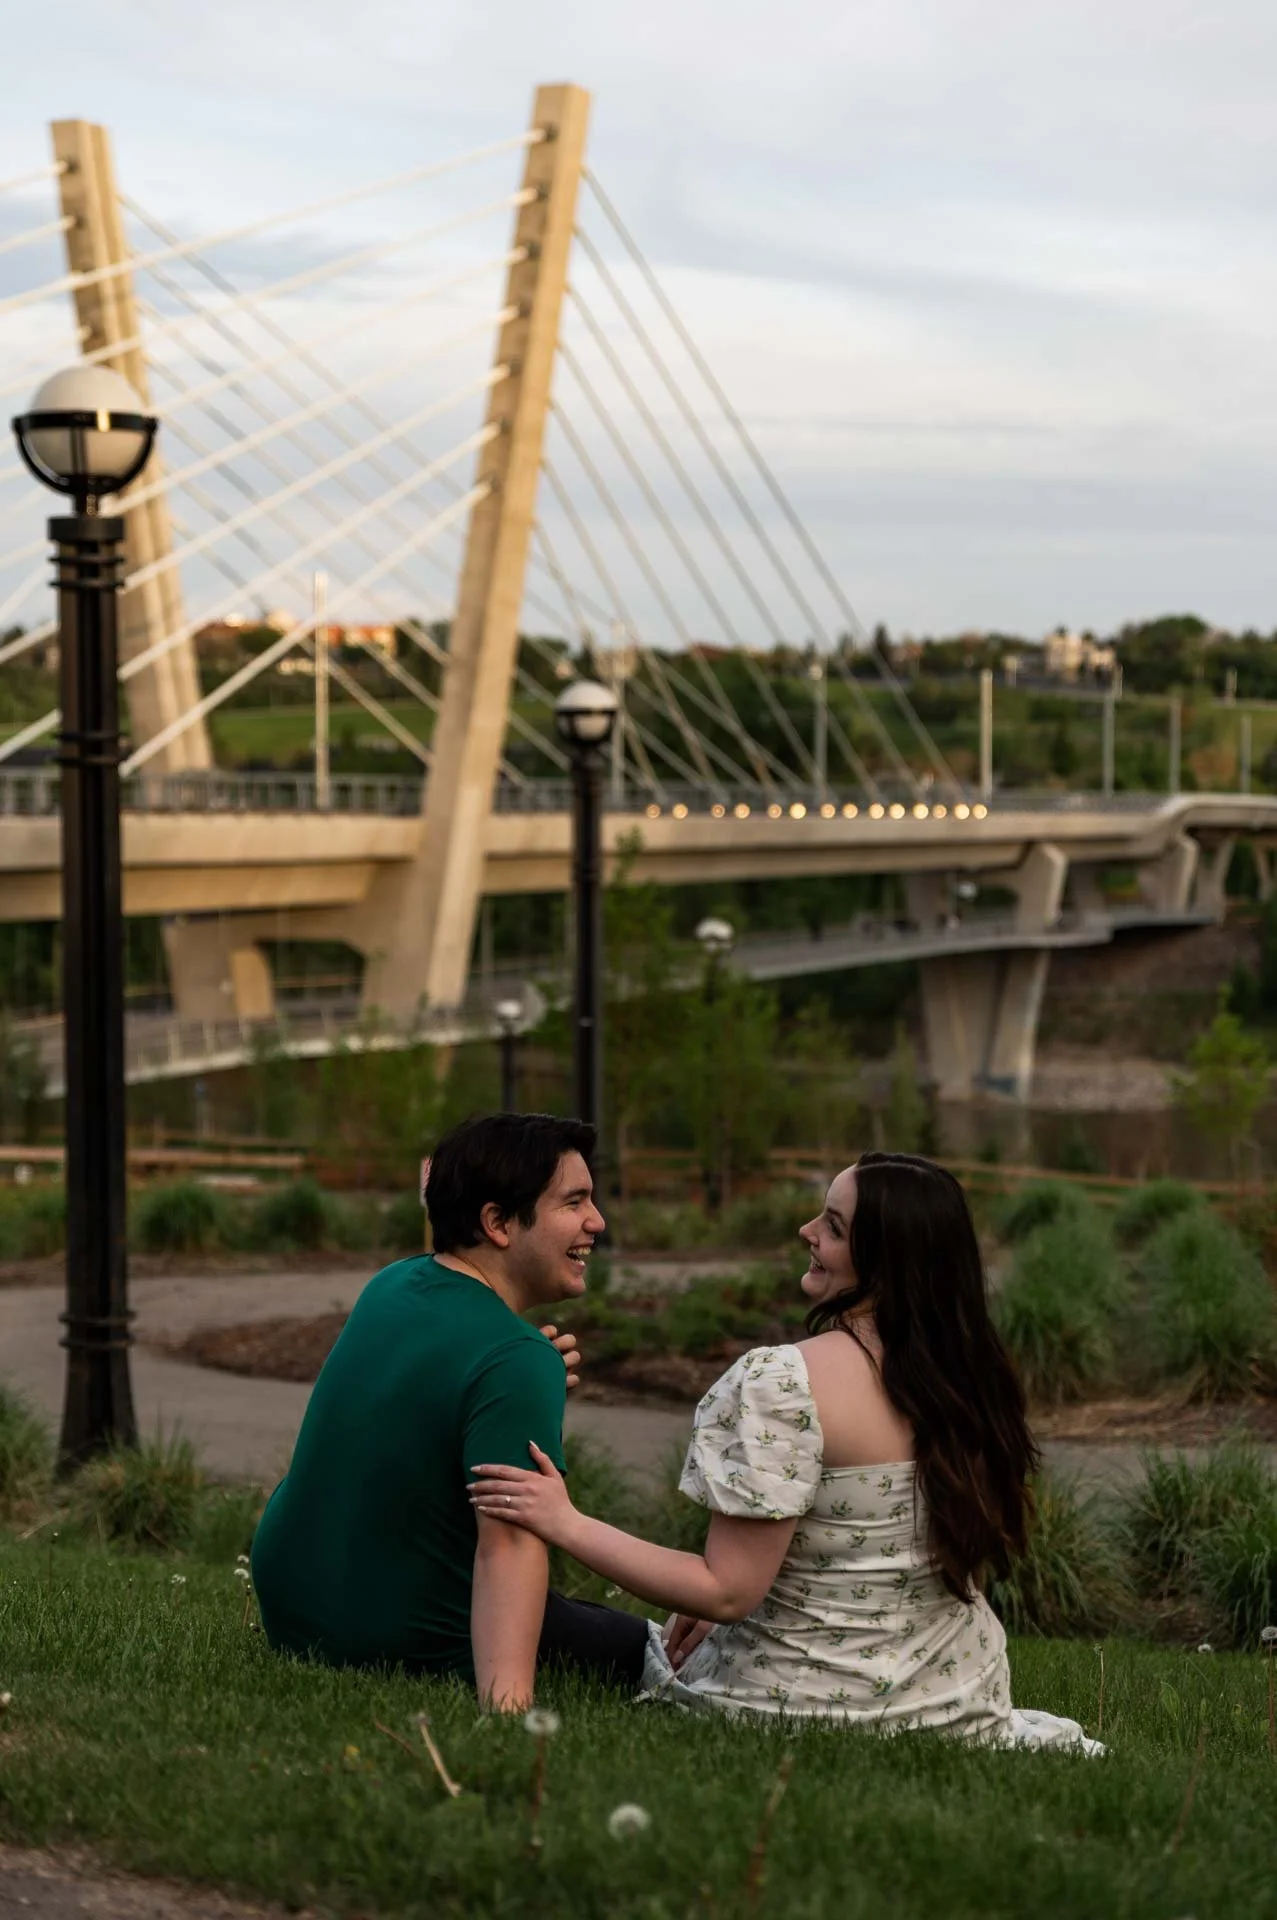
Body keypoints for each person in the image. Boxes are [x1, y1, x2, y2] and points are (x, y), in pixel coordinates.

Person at [471, 1150, 1101, 1749]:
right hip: (950, 1700)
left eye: (831, 1226)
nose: (806, 1231)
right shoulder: (970, 1379)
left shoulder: (782, 1383)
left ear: (882, 1260)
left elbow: (725, 1591)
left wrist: (565, 1521)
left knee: (570, 1629)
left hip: (797, 1705)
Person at [251, 1112, 649, 1710]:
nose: (597, 1222)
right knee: (647, 1648)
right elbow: (508, 1546)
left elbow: (412, 1412)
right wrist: (507, 1708)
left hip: (294, 1606)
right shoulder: (515, 1358)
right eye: (574, 1202)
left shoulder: (395, 1283)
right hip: (390, 1636)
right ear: (497, 1223)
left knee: (583, 1617)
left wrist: (521, 1384)